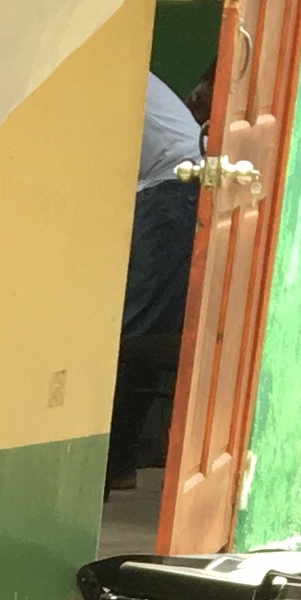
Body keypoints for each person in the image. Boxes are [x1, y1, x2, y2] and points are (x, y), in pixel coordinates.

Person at [108, 74, 206, 498]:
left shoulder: (102, 70)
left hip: (170, 188)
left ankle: (111, 464)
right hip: (173, 188)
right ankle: (119, 463)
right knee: (143, 330)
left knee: (135, 333)